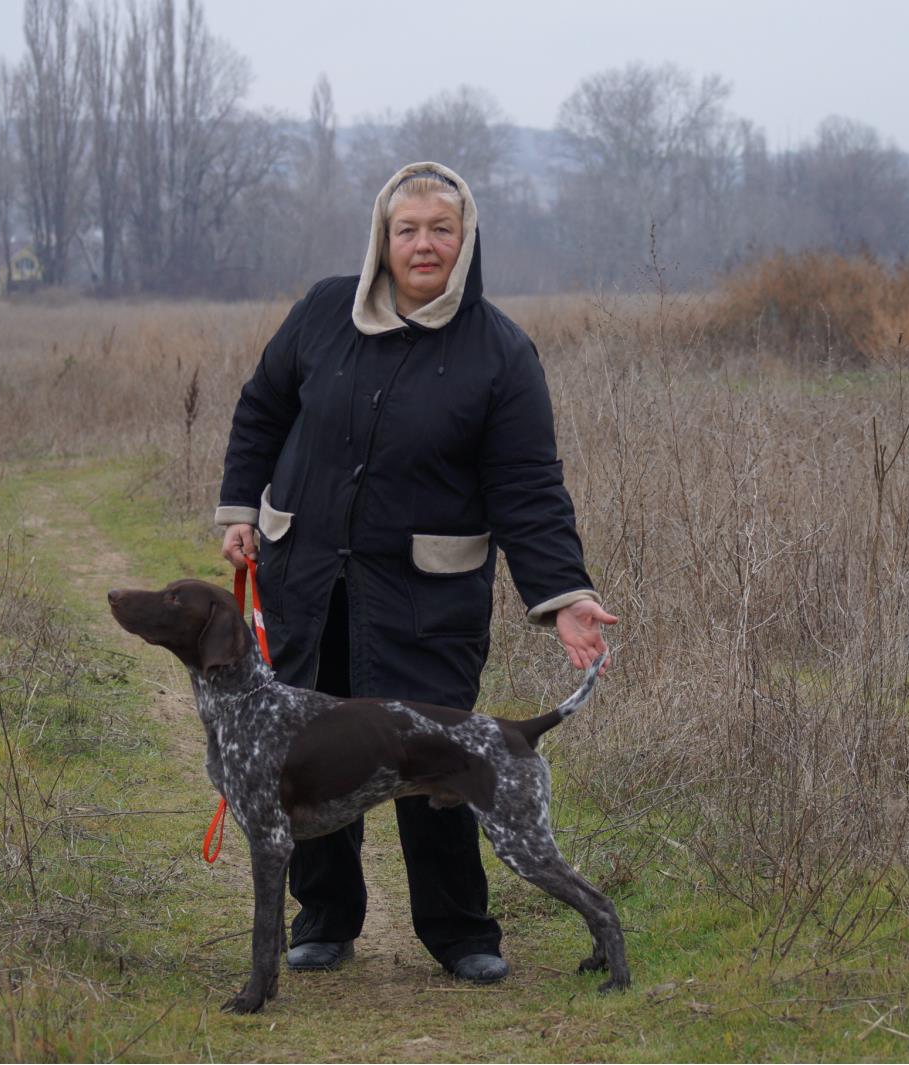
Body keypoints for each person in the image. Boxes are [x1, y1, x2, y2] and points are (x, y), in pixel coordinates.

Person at [215, 161, 615, 985]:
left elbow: (527, 486)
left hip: (426, 598)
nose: (423, 244)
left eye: (442, 229)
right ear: (382, 238)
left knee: (440, 759)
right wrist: (240, 509)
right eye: (408, 229)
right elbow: (262, 409)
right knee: (311, 759)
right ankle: (324, 919)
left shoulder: (499, 351)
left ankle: (460, 932)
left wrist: (564, 595)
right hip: (307, 583)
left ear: (466, 240)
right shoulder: (324, 312)